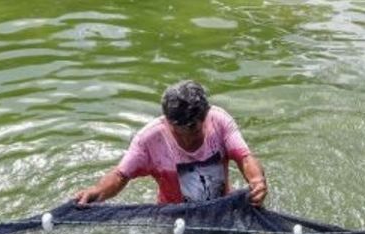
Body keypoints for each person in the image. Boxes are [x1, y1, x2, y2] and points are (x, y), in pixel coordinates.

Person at [74, 80, 268, 206]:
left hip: (221, 208)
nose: (187, 138)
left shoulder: (219, 121)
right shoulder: (148, 139)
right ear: (167, 120)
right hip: (174, 219)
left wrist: (257, 181)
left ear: (205, 117)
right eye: (178, 130)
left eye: (193, 129)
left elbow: (245, 158)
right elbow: (120, 175)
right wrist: (98, 191)